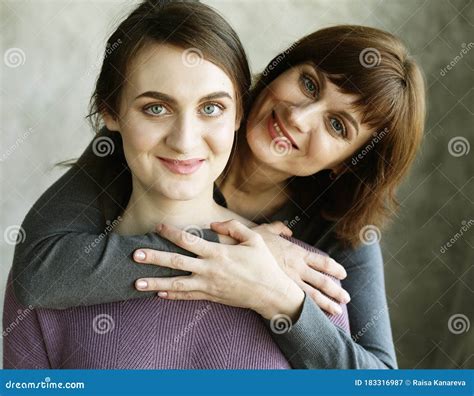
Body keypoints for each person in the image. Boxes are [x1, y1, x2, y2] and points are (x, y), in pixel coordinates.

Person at [8, 2, 426, 369]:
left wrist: (280, 296)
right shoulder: (149, 148)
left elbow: (375, 379)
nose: (300, 117)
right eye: (310, 83)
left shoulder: (338, 237)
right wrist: (230, 251)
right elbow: (38, 273)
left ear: (347, 165)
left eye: (337, 125)